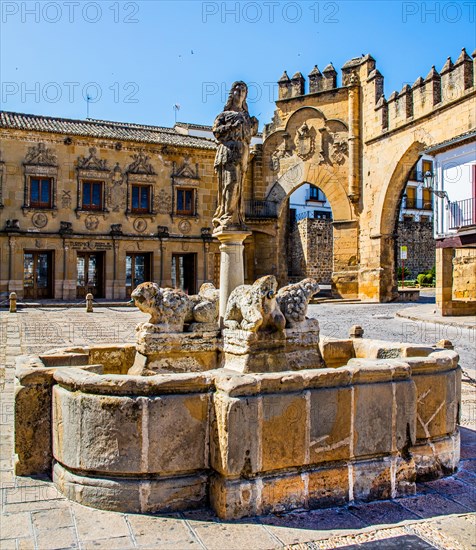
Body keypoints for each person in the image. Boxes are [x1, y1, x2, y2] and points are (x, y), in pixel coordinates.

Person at [212, 81, 258, 231]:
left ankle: (237, 217)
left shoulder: (246, 116)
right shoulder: (223, 115)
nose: (241, 93)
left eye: (243, 91)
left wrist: (253, 127)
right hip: (228, 151)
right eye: (238, 91)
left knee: (239, 187)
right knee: (230, 183)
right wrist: (232, 125)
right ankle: (226, 215)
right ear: (232, 94)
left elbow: (249, 136)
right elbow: (216, 132)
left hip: (243, 152)